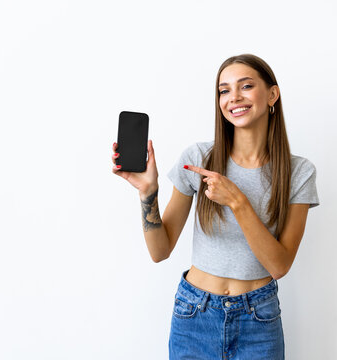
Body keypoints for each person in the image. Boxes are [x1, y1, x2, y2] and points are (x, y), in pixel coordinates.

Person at [111, 53, 319, 359]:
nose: (233, 97)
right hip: (194, 315)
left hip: (258, 320)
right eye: (224, 90)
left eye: (246, 86)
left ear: (272, 94)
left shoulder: (299, 172)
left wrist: (237, 202)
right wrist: (148, 193)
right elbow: (160, 251)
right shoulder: (197, 159)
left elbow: (279, 265)